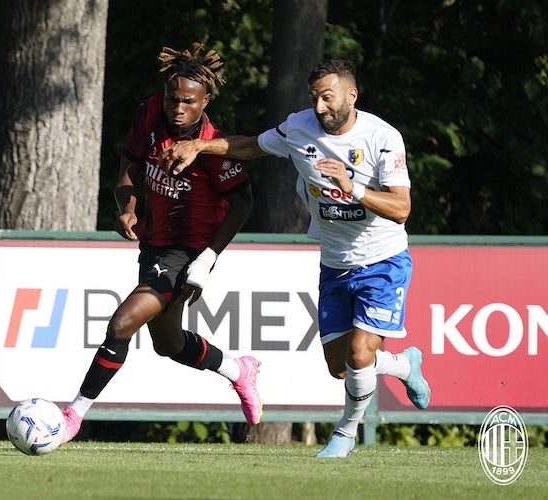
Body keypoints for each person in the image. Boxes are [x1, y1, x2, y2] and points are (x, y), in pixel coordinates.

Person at [160, 59, 431, 458]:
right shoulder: (299, 126)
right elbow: (252, 145)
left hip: (383, 261)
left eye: (328, 97)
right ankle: (404, 366)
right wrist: (200, 145)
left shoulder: (382, 138)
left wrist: (350, 185)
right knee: (341, 368)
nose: (320, 107)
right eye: (314, 98)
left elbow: (402, 207)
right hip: (335, 262)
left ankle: (345, 433)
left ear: (351, 96)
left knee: (359, 355)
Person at [60, 43, 261, 443]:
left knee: (121, 323)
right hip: (154, 244)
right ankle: (239, 370)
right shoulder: (148, 114)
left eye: (188, 101)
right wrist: (127, 207)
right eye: (173, 98)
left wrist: (208, 258)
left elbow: (243, 203)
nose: (178, 107)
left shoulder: (213, 147)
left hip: (188, 252)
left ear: (205, 101)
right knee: (167, 344)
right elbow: (129, 167)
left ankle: (72, 415)